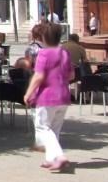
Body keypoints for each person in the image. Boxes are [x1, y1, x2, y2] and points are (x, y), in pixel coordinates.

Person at [23, 23, 74, 172]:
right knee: (54, 129)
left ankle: (59, 156)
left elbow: (39, 76)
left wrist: (28, 93)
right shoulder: (65, 53)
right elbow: (72, 75)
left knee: (42, 127)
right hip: (63, 95)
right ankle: (51, 159)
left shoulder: (44, 54)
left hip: (47, 96)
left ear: (44, 37)